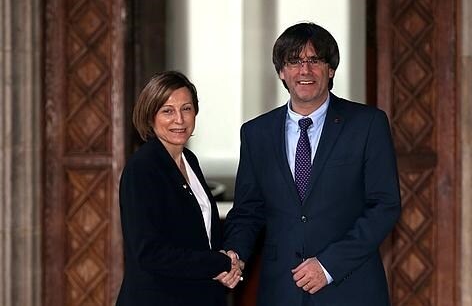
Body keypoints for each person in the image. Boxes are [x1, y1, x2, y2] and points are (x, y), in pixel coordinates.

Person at [223, 22, 402, 306]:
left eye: (314, 60)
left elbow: (384, 205)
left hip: (350, 287)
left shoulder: (368, 124)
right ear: (281, 72)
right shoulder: (256, 133)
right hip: (281, 291)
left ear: (330, 69)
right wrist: (234, 253)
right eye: (294, 61)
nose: (304, 70)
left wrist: (328, 266)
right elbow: (248, 211)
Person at [116, 71, 242, 306]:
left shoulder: (190, 160)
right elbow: (149, 252)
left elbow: (200, 236)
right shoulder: (142, 168)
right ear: (150, 116)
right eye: (167, 111)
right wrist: (219, 263)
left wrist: (228, 263)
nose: (180, 119)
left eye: (186, 108)